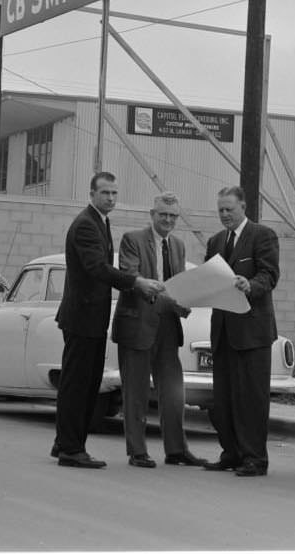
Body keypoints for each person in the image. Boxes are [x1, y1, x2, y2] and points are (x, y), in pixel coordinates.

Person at [53, 171, 161, 469]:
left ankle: (64, 442)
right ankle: (72, 450)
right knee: (79, 384)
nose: (111, 198)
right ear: (92, 195)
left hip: (90, 317)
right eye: (105, 193)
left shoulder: (100, 221)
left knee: (84, 383)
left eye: (114, 193)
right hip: (82, 318)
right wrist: (135, 282)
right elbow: (97, 269)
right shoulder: (87, 225)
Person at [111, 192, 207, 469]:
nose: (167, 220)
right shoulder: (132, 239)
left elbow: (178, 285)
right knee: (136, 392)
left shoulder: (177, 245)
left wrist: (187, 303)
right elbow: (132, 277)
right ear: (152, 215)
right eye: (163, 214)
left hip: (167, 325)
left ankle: (176, 450)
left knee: (174, 391)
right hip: (137, 324)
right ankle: (137, 451)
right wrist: (168, 299)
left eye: (173, 216)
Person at [203, 184, 279, 477]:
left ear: (243, 207)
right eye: (220, 210)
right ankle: (231, 453)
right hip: (223, 332)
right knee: (224, 398)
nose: (225, 215)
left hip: (252, 333)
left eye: (229, 210)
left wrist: (251, 286)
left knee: (251, 398)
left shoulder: (262, 236)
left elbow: (269, 274)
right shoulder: (215, 241)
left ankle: (255, 458)